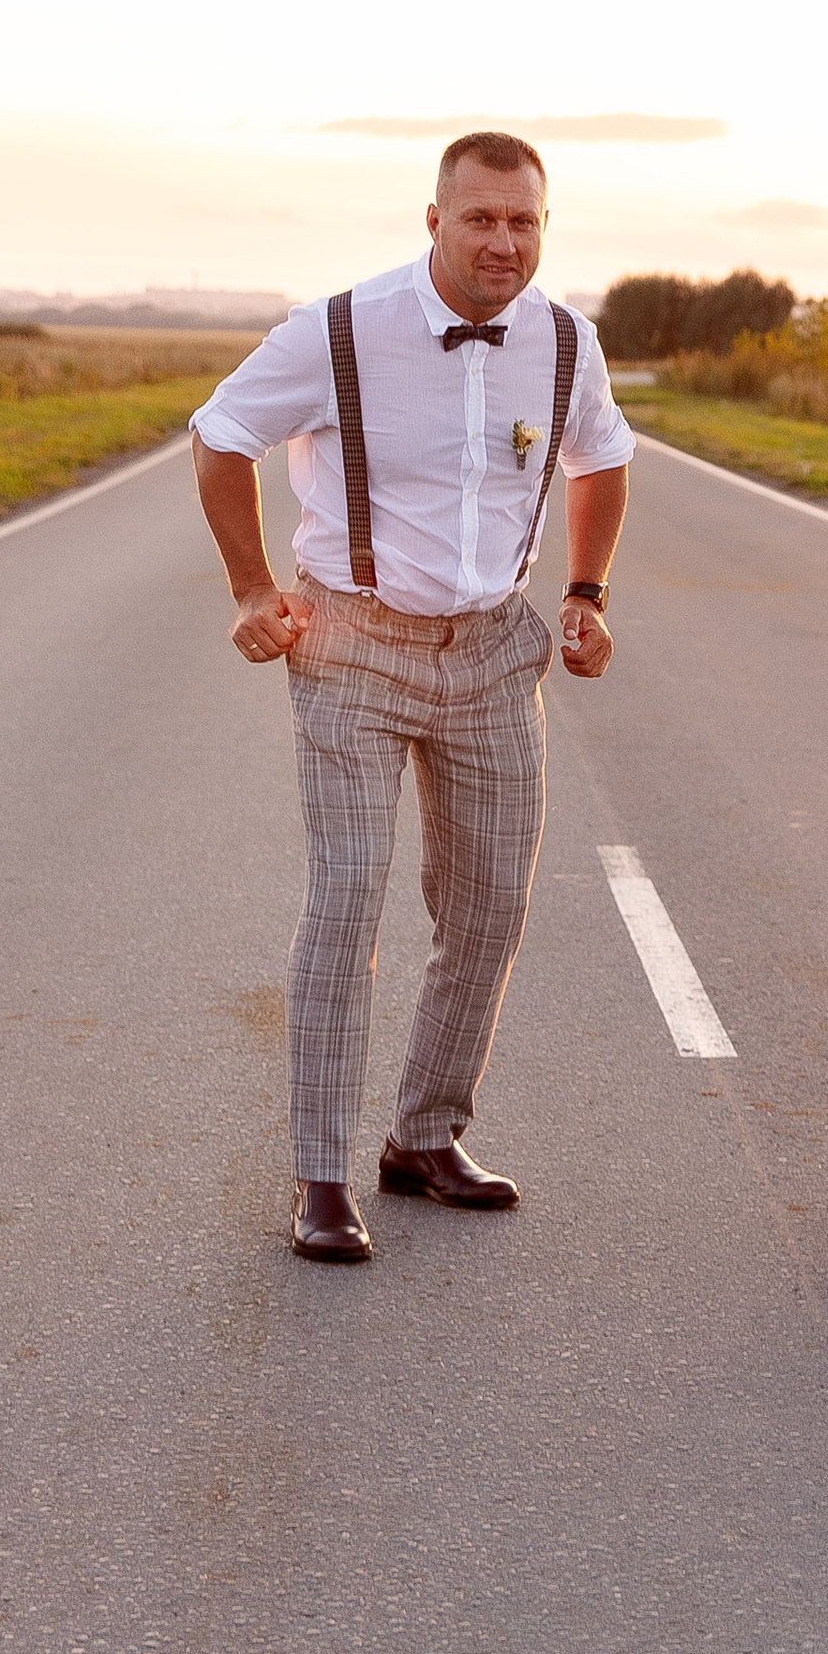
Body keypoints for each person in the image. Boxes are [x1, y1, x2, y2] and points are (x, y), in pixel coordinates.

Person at [188, 132, 633, 1264]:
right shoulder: (336, 330)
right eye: (479, 218)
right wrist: (250, 587)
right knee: (346, 904)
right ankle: (323, 1175)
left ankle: (425, 1136)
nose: (502, 240)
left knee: (488, 906)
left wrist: (584, 592)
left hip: (492, 652)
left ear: (545, 227)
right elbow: (221, 434)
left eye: (523, 221)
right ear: (432, 220)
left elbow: (601, 457)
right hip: (353, 642)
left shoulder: (568, 343)